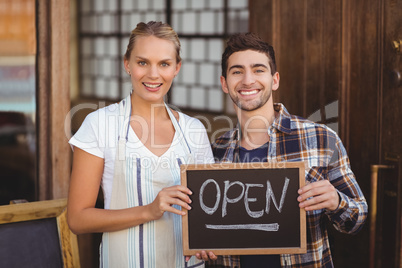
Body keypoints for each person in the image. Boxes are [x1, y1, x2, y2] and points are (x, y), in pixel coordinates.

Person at [204, 33, 368, 267]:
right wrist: (204, 243)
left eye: (259, 70)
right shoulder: (215, 150)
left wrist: (336, 201)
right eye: (237, 71)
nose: (248, 80)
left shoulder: (321, 139)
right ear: (224, 83)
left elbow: (358, 218)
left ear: (275, 79)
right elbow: (209, 228)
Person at [67, 21, 216, 267]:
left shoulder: (194, 130)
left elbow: (208, 211)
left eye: (164, 64)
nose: (153, 74)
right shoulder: (99, 125)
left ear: (177, 68)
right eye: (142, 62)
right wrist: (149, 210)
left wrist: (210, 240)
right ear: (127, 64)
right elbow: (77, 219)